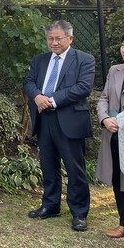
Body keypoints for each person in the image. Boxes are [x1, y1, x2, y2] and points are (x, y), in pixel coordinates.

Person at [23, 20, 95, 231]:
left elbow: (83, 87)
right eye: (50, 39)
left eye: (58, 38)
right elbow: (28, 82)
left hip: (69, 119)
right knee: (48, 166)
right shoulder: (39, 60)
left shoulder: (84, 59)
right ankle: (50, 205)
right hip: (44, 119)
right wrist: (37, 96)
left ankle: (79, 213)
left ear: (70, 38)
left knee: (75, 169)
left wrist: (51, 99)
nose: (53, 43)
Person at [96, 33, 124, 238]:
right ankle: (123, 223)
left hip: (121, 126)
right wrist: (105, 119)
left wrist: (121, 120)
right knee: (119, 179)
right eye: (123, 45)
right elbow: (103, 98)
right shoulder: (115, 70)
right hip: (114, 134)